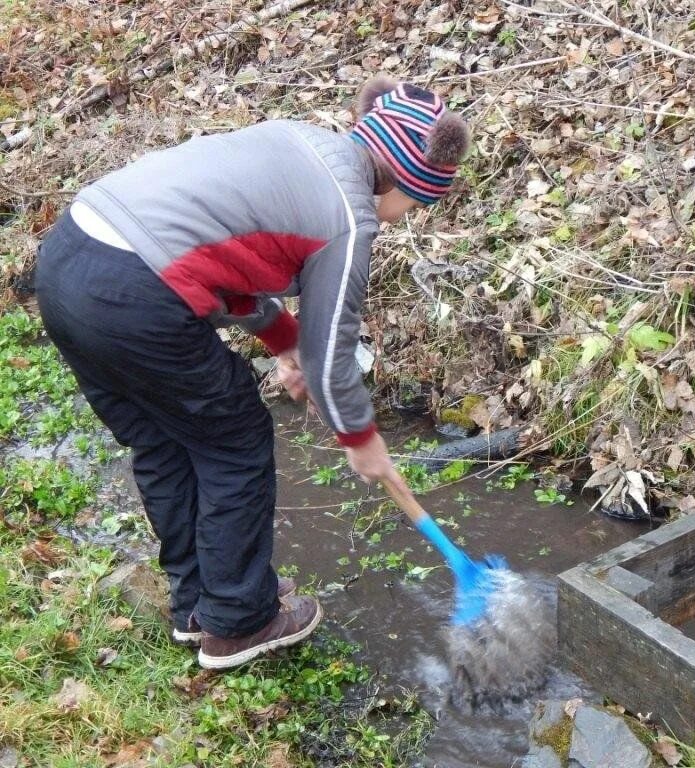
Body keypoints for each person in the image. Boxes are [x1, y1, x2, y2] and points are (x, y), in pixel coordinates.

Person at [34, 77, 471, 670]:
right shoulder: (350, 214)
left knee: (165, 441)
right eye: (417, 205)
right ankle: (239, 622)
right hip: (134, 291)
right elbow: (333, 348)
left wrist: (284, 341)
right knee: (234, 440)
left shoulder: (299, 142)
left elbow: (224, 260)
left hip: (67, 262)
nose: (404, 218)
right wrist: (360, 438)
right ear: (403, 178)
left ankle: (201, 605)